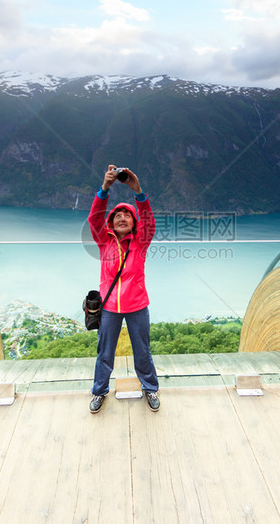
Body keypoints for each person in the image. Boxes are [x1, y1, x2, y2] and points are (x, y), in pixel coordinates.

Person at [87, 164, 160, 414]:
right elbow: (94, 218)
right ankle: (99, 392)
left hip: (137, 305)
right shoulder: (103, 241)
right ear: (111, 222)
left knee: (143, 353)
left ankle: (150, 388)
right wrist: (105, 189)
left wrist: (138, 191)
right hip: (109, 308)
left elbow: (148, 219)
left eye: (127, 215)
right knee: (104, 354)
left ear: (133, 223)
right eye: (117, 215)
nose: (121, 218)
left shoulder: (140, 242)